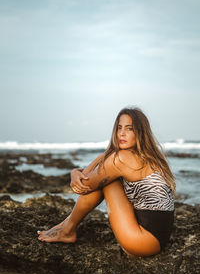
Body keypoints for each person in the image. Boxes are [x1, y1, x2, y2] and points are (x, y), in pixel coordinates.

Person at [37, 107, 175, 257]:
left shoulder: (122, 158)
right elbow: (96, 174)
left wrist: (75, 172)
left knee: (106, 182)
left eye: (129, 129)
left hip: (142, 242)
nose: (121, 133)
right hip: (157, 240)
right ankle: (66, 227)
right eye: (119, 128)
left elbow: (85, 185)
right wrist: (88, 166)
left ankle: (67, 230)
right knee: (104, 176)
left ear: (140, 132)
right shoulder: (145, 156)